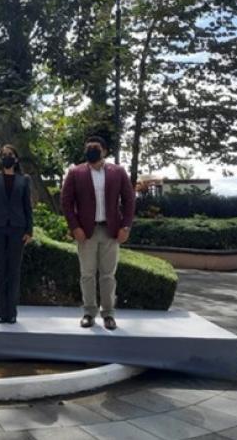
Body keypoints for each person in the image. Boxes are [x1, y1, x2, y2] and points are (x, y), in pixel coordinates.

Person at [60, 136, 135, 331]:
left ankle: (108, 314)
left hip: (111, 231)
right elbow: (66, 202)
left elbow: (129, 200)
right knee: (87, 274)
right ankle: (88, 312)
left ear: (104, 151)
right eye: (88, 147)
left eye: (96, 147)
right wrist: (74, 227)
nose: (92, 150)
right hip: (86, 232)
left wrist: (126, 226)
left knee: (108, 275)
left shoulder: (117, 172)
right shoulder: (75, 173)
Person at [0, 145, 33, 324]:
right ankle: (1, 313)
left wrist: (29, 230)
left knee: (13, 271)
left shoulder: (24, 179)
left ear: (16, 159)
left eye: (10, 155)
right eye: (3, 155)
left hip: (18, 230)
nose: (6, 157)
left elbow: (28, 207)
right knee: (0, 270)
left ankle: (11, 313)